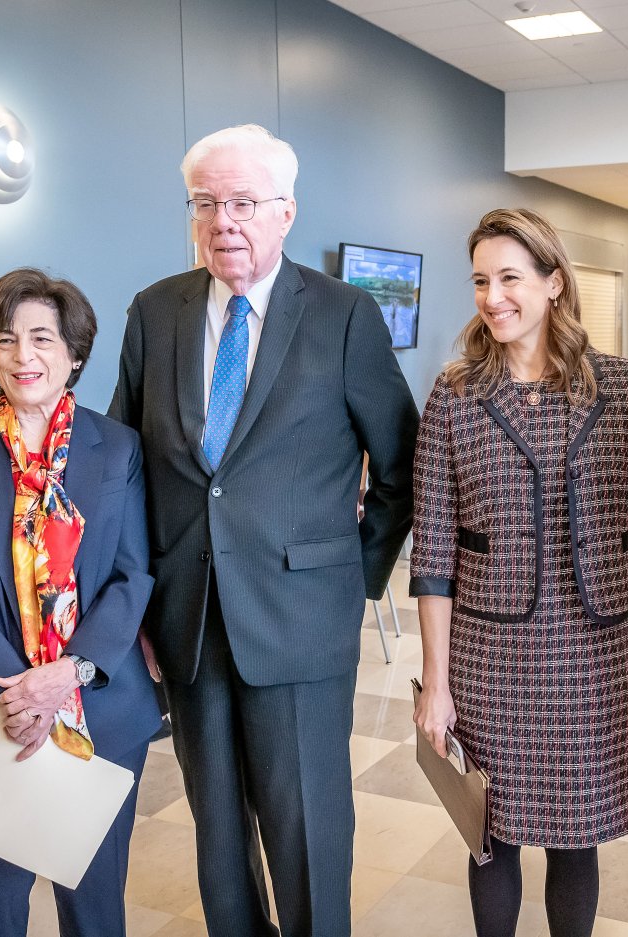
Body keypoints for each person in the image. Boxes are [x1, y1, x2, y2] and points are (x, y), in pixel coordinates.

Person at [108, 124, 418, 937]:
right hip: (188, 621)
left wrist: (353, 578)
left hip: (302, 620)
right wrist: (137, 602)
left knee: (307, 826)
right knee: (218, 835)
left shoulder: (344, 314)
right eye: (206, 203)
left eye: (243, 202)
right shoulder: (155, 312)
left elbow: (400, 466)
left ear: (285, 211)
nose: (224, 221)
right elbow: (125, 471)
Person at [411, 208, 628, 937]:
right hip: (487, 655)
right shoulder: (455, 396)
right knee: (489, 833)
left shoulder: (622, 389)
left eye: (510, 278)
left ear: (554, 283)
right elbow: (432, 555)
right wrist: (436, 684)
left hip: (589, 652)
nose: (492, 296)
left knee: (575, 832)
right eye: (480, 281)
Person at [0, 269, 158, 937]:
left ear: (74, 353)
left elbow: (132, 574)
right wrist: (17, 694)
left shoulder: (120, 448)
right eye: (6, 339)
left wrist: (65, 674)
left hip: (98, 710)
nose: (24, 356)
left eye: (42, 337)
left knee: (96, 908)